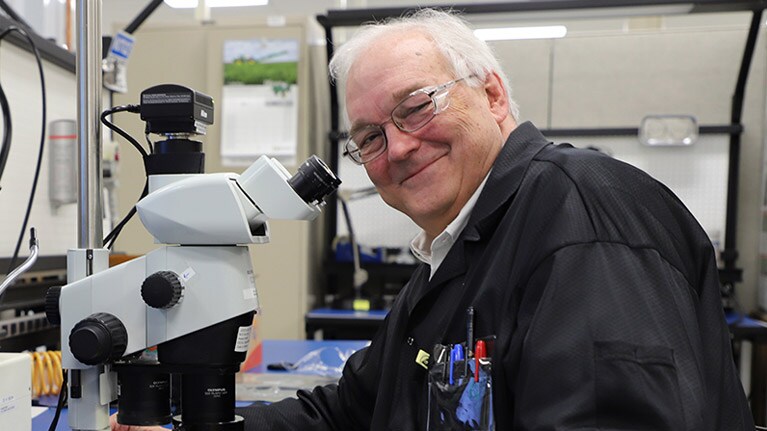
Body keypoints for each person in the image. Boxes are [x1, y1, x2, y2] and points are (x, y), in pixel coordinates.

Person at [112, 8, 754, 431]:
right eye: (368, 137)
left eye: (416, 107)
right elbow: (354, 409)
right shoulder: (458, 254)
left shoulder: (580, 218)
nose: (397, 148)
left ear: (494, 94)